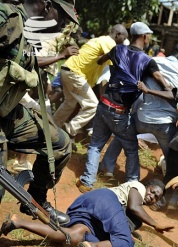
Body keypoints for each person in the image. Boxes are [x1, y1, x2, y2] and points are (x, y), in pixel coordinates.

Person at [0, 0, 78, 225]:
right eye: (62, 17)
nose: (64, 24)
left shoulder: (27, 31)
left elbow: (28, 61)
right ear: (47, 5)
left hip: (8, 113)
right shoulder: (6, 15)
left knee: (60, 143)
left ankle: (36, 198)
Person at [76, 22, 167, 193]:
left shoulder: (117, 50)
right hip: (120, 112)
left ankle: (87, 181)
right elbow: (161, 81)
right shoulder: (148, 61)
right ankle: (132, 184)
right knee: (131, 149)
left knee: (96, 144)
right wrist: (169, 91)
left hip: (104, 105)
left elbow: (99, 60)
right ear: (145, 36)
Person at [99, 41, 178, 179]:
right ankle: (169, 186)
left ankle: (106, 167)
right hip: (165, 124)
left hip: (142, 117)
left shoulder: (151, 61)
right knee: (172, 156)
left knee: (122, 135)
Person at [0, 179, 172, 246]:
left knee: (74, 236)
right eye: (152, 191)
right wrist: (156, 224)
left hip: (87, 207)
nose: (151, 196)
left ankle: (18, 222)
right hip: (105, 200)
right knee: (125, 243)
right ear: (147, 186)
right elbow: (134, 207)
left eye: (156, 197)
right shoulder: (138, 188)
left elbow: (120, 220)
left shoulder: (133, 214)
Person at [53, 24, 128, 137]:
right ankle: (68, 130)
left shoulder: (99, 40)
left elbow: (100, 61)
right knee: (92, 105)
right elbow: (116, 65)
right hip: (75, 73)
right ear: (118, 35)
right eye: (124, 38)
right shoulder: (110, 43)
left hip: (67, 69)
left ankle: (52, 126)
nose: (124, 41)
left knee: (69, 103)